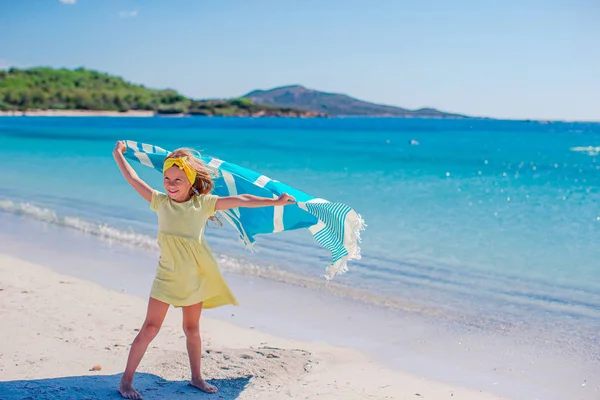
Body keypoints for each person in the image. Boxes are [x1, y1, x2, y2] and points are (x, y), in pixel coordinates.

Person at [112, 141, 295, 399]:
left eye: (177, 179)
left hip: (194, 278)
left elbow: (241, 200)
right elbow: (133, 179)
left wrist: (275, 201)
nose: (171, 184)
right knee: (150, 327)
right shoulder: (160, 202)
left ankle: (197, 378)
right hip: (167, 275)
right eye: (166, 178)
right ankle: (126, 380)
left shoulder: (204, 204)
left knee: (192, 329)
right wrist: (118, 154)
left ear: (189, 180)